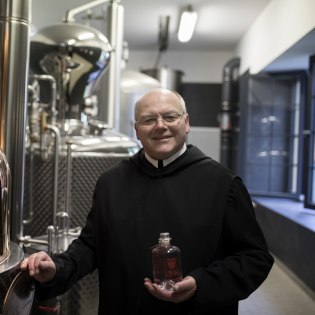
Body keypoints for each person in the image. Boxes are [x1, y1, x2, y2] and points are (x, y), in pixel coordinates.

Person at [21, 88, 274, 315]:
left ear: (186, 123)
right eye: (149, 119)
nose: (160, 126)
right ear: (137, 130)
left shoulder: (223, 184)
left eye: (170, 117)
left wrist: (201, 284)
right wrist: (57, 268)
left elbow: (254, 258)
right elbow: (90, 247)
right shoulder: (111, 182)